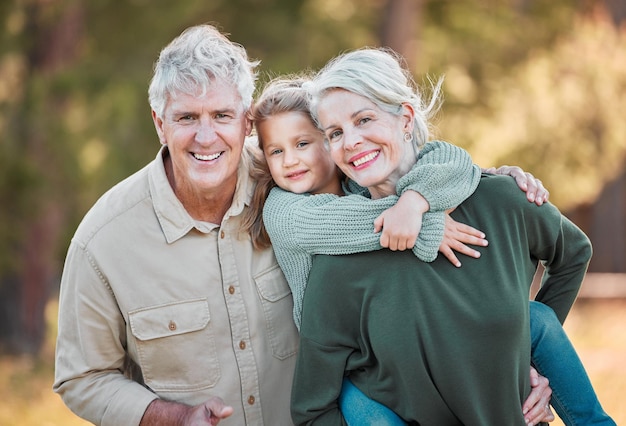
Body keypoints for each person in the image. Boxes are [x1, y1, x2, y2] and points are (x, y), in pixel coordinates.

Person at [251, 77, 615, 425]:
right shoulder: (285, 211)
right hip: (343, 364)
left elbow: (443, 156)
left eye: (303, 144)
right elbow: (372, 224)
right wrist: (425, 217)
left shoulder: (361, 185)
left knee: (534, 319)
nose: (290, 160)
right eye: (275, 151)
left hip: (397, 344)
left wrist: (481, 180)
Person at [53, 24, 300, 425]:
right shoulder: (102, 242)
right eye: (187, 117)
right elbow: (82, 378)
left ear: (246, 122)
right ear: (159, 124)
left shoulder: (293, 185)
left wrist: (426, 210)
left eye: (222, 115)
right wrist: (173, 418)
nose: (206, 137)